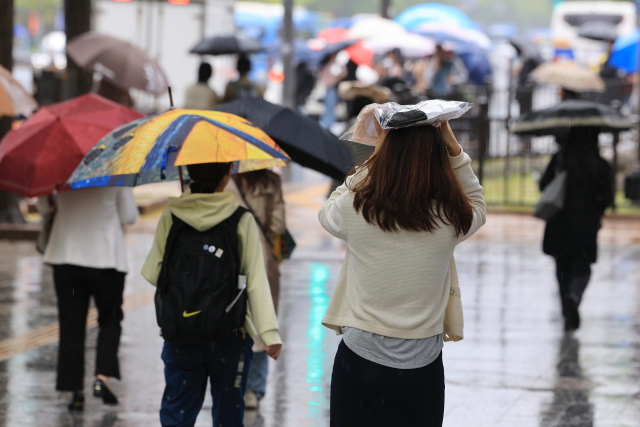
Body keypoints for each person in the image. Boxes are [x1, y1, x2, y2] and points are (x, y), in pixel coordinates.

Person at [319, 121, 486, 426]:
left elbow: (328, 208)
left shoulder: (356, 209)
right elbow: (477, 203)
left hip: (359, 360)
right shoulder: (450, 217)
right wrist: (454, 148)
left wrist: (374, 157)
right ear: (437, 159)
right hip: (423, 366)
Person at [141, 162, 282, 427]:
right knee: (228, 414)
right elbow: (256, 282)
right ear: (227, 175)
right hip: (230, 335)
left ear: (189, 173)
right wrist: (269, 334)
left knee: (177, 413)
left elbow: (152, 272)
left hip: (181, 333)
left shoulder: (171, 215)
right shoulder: (241, 219)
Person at [40, 187, 139, 411]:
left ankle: (75, 392)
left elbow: (42, 208)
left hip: (66, 259)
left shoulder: (62, 172)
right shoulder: (115, 173)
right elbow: (129, 216)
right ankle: (101, 377)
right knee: (110, 320)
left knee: (71, 325)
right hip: (106, 260)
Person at [539, 127, 613, 331]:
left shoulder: (561, 160)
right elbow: (607, 198)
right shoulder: (601, 164)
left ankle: (566, 308)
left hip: (560, 224)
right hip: (586, 226)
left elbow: (544, 185)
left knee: (562, 269)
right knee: (582, 266)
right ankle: (575, 296)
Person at [226, 169, 286, 410]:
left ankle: (233, 383)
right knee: (262, 322)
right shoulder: (272, 182)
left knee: (234, 320)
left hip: (232, 258)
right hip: (263, 258)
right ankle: (254, 390)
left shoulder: (226, 181)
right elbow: (278, 225)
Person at [318, 53, 347, 129]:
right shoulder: (329, 66)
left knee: (331, 108)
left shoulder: (338, 67)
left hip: (332, 90)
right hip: (328, 90)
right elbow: (327, 81)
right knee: (329, 108)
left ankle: (327, 123)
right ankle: (325, 124)